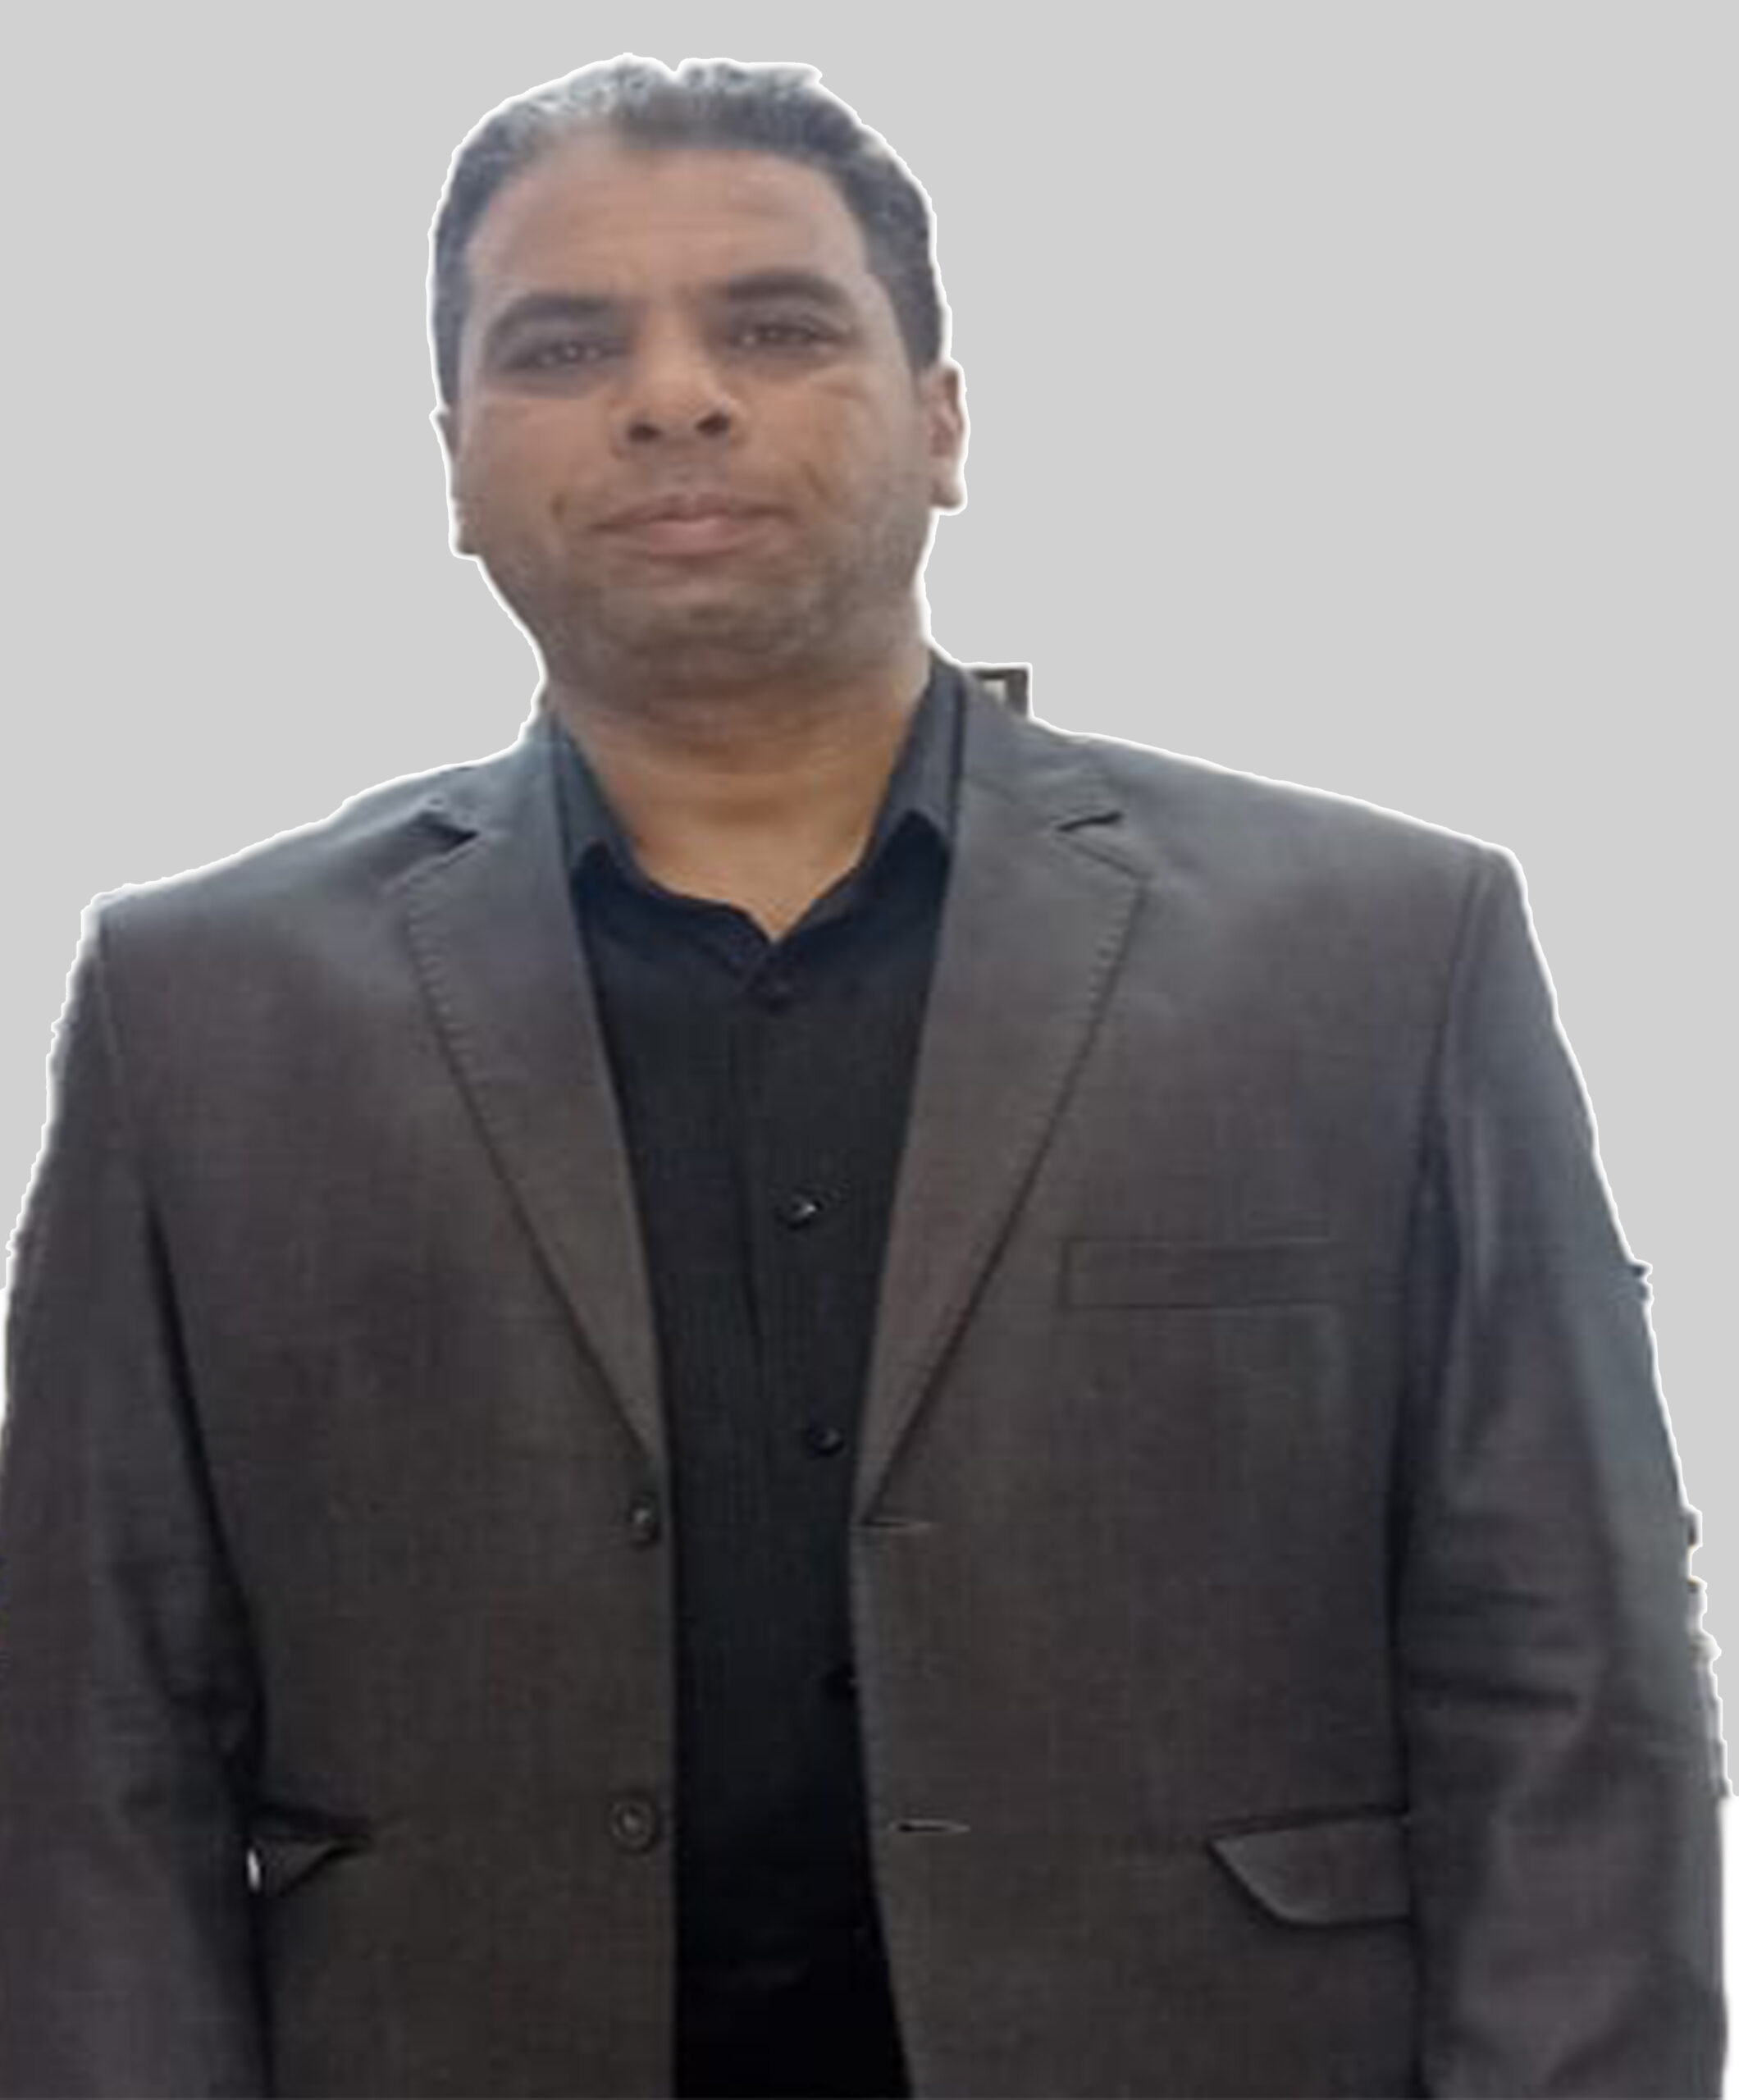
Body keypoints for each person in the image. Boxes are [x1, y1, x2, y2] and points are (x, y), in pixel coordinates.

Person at [0, 52, 1723, 2100]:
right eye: (563, 346)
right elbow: (97, 1732)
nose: (673, 397)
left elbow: (1566, 1676)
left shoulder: (1375, 951)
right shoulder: (203, 1009)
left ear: (941, 418)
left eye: (773, 326)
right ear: (453, 461)